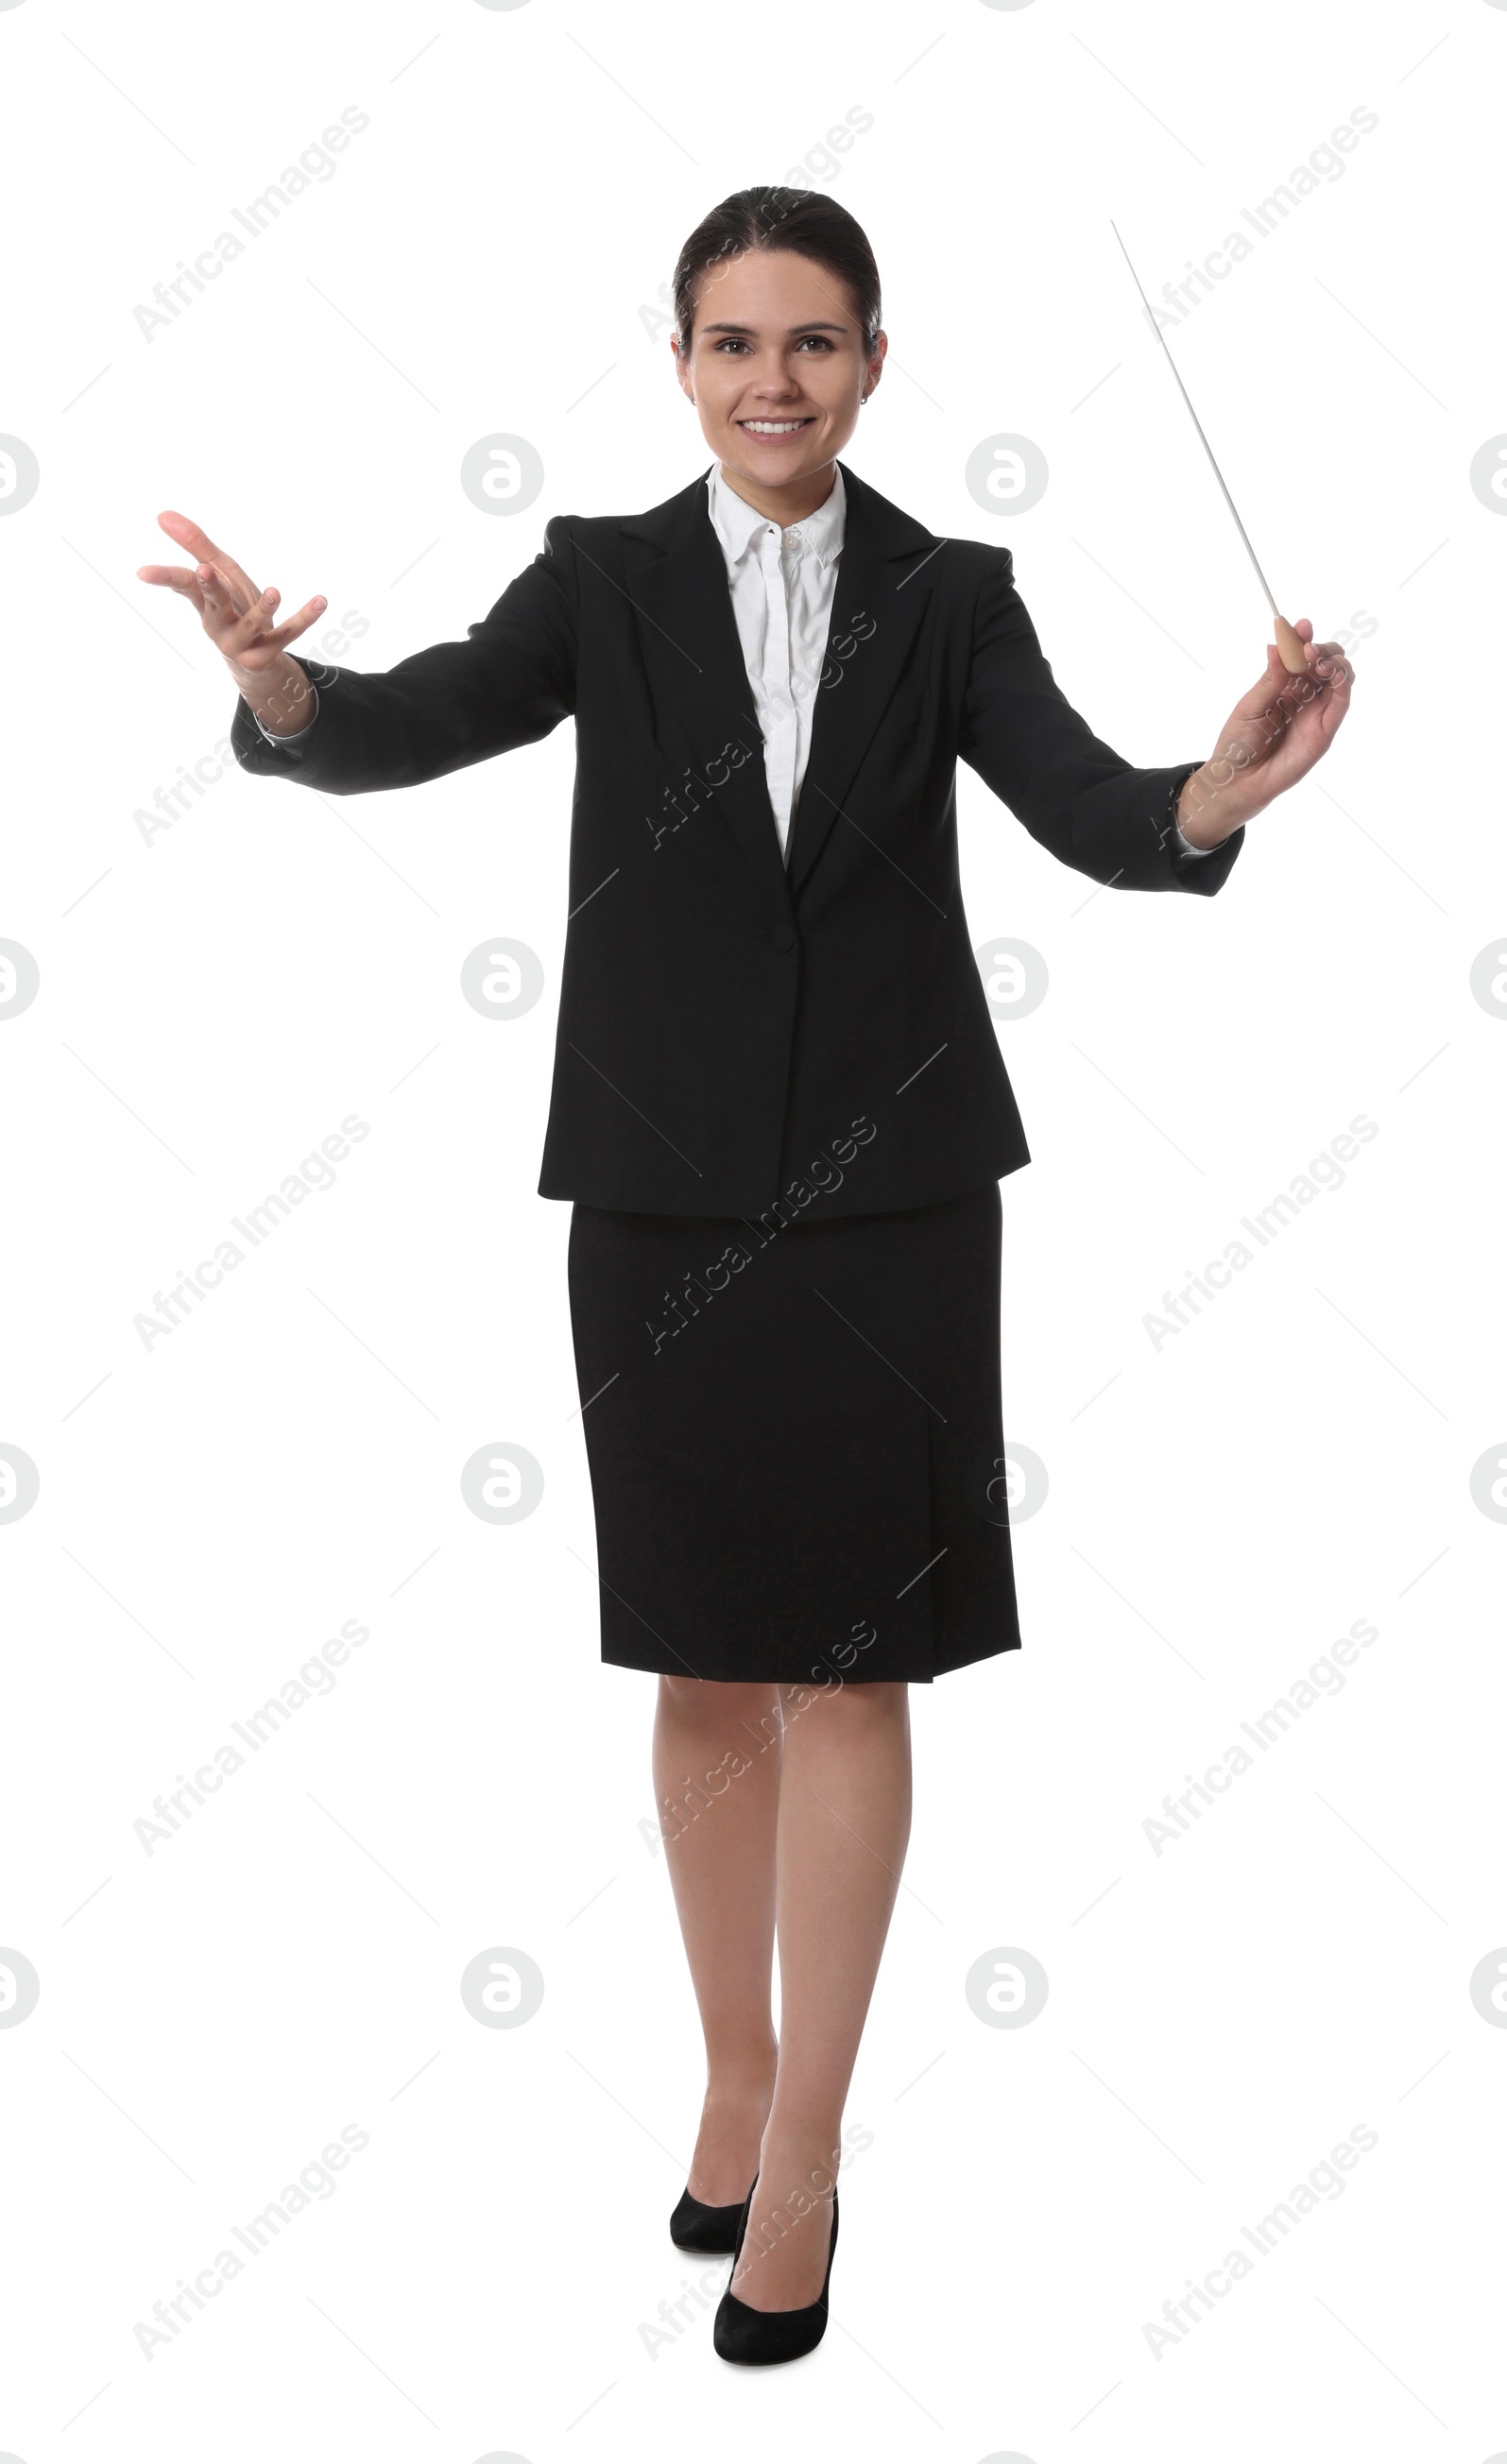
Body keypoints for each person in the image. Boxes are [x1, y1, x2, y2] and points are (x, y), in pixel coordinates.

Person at [138, 185, 1354, 2367]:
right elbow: (420, 716)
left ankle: (804, 2151)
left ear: (875, 361)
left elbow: (1094, 806)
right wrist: (281, 686)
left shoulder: (946, 591)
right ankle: (723, 2070)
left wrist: (1219, 782)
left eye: (812, 341)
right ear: (678, 362)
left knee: (847, 1673)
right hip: (665, 1194)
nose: (771, 379)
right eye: (732, 341)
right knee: (701, 1664)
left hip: (894, 1203)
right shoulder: (600, 581)